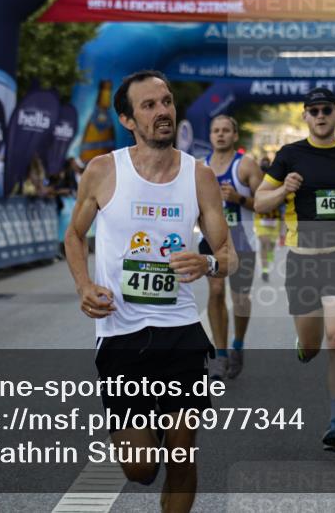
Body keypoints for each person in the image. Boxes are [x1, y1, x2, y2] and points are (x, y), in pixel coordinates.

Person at [63, 70, 237, 513]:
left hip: (179, 328)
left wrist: (208, 263)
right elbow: (74, 236)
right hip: (120, 332)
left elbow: (228, 255)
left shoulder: (198, 177)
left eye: (166, 101)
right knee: (141, 468)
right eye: (149, 105)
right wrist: (84, 285)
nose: (163, 112)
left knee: (182, 452)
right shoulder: (103, 171)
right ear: (127, 119)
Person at [254, 87, 335, 453]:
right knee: (313, 346)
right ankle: (304, 345)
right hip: (303, 259)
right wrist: (283, 192)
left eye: (326, 109)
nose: (320, 115)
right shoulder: (290, 155)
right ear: (305, 117)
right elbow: (259, 200)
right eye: (313, 110)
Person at [199, 115, 261, 381]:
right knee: (215, 291)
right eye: (215, 131)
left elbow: (266, 204)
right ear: (210, 135)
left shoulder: (246, 166)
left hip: (242, 239)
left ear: (235, 135)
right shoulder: (199, 168)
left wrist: (239, 199)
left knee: (240, 298)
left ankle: (238, 345)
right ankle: (220, 356)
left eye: (226, 130)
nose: (220, 135)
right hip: (211, 241)